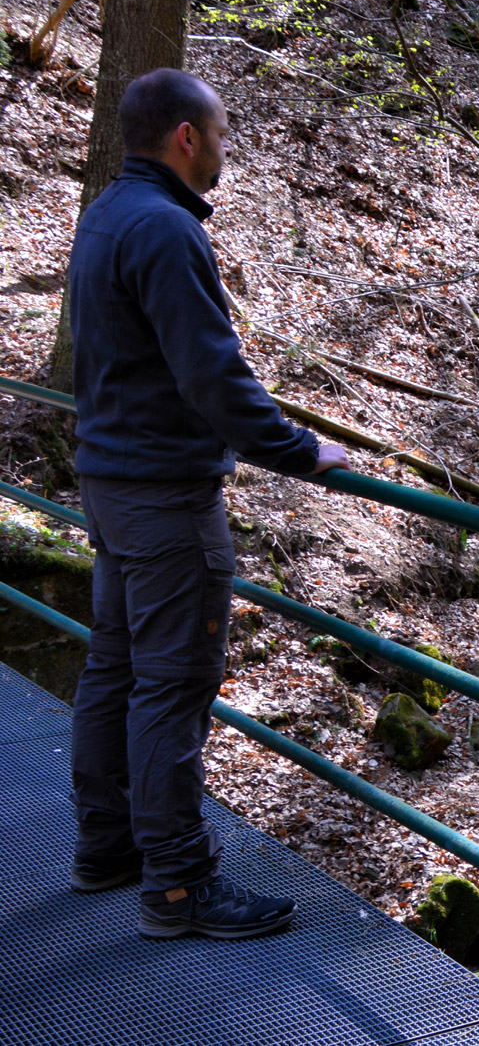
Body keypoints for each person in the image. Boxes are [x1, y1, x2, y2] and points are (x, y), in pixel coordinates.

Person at [65, 67, 348, 939]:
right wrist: (302, 450)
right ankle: (179, 885)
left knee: (114, 667)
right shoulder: (163, 228)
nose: (227, 148)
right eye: (221, 133)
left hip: (112, 483)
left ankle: (107, 846)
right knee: (171, 685)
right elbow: (211, 375)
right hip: (163, 496)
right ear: (186, 136)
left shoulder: (108, 212)